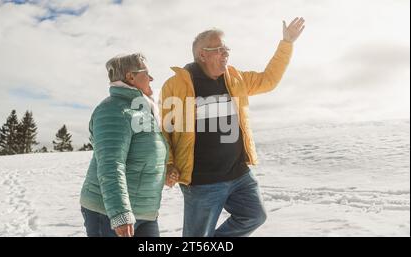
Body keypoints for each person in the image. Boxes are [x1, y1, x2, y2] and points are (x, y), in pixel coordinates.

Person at [160, 18, 305, 237]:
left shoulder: (235, 79)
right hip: (202, 181)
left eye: (227, 48)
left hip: (238, 174)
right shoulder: (177, 85)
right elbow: (165, 131)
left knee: (255, 215)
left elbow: (269, 80)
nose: (226, 53)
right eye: (219, 49)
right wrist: (169, 164)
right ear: (202, 55)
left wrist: (287, 43)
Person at [80, 53, 168, 237]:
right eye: (147, 73)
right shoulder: (114, 109)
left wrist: (165, 171)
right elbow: (111, 165)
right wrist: (119, 213)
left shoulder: (141, 109)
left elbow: (143, 154)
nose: (151, 78)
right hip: (109, 213)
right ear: (130, 76)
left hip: (145, 212)